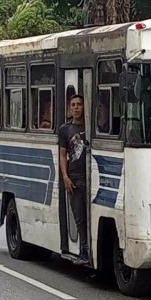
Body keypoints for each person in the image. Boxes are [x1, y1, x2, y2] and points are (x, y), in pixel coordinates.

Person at [58, 95, 89, 264]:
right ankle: (83, 251)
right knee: (79, 218)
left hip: (90, 177)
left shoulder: (91, 126)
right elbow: (62, 155)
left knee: (90, 216)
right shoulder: (65, 129)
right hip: (74, 179)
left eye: (79, 105)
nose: (76, 108)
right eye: (73, 105)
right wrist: (65, 177)